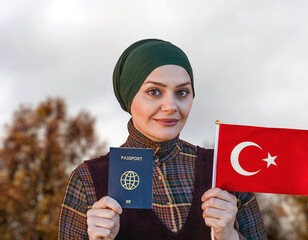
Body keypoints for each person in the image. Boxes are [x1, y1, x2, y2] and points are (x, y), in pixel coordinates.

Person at [58, 39, 267, 239]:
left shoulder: (225, 168)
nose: (171, 106)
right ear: (129, 96)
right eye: (154, 91)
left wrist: (229, 237)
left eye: (182, 92)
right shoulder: (87, 179)